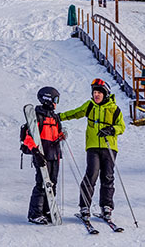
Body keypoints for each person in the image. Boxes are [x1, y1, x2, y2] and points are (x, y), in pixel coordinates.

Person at [59, 78, 125, 221]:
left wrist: (111, 129)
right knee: (91, 175)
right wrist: (59, 117)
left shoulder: (114, 109)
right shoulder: (90, 106)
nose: (96, 95)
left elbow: (122, 127)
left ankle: (106, 207)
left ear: (105, 94)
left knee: (108, 177)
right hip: (93, 147)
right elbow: (75, 113)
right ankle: (84, 207)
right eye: (94, 92)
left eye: (99, 93)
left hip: (109, 147)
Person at [23, 87, 64, 225]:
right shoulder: (37, 116)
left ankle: (48, 210)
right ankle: (35, 214)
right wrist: (36, 153)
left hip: (54, 156)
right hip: (42, 155)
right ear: (47, 99)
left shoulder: (54, 117)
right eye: (55, 100)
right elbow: (28, 138)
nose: (56, 103)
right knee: (41, 184)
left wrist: (61, 136)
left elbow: (56, 133)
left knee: (52, 184)